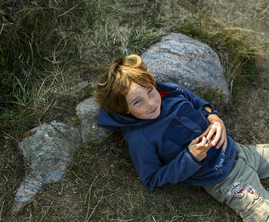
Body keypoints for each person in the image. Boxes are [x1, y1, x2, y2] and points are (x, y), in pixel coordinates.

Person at [93, 54, 269, 221]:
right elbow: (152, 178)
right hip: (225, 179)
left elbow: (198, 103)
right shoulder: (139, 138)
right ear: (124, 109)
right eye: (137, 102)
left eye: (149, 91)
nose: (151, 103)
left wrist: (215, 119)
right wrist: (190, 158)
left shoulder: (169, 91)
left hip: (239, 150)